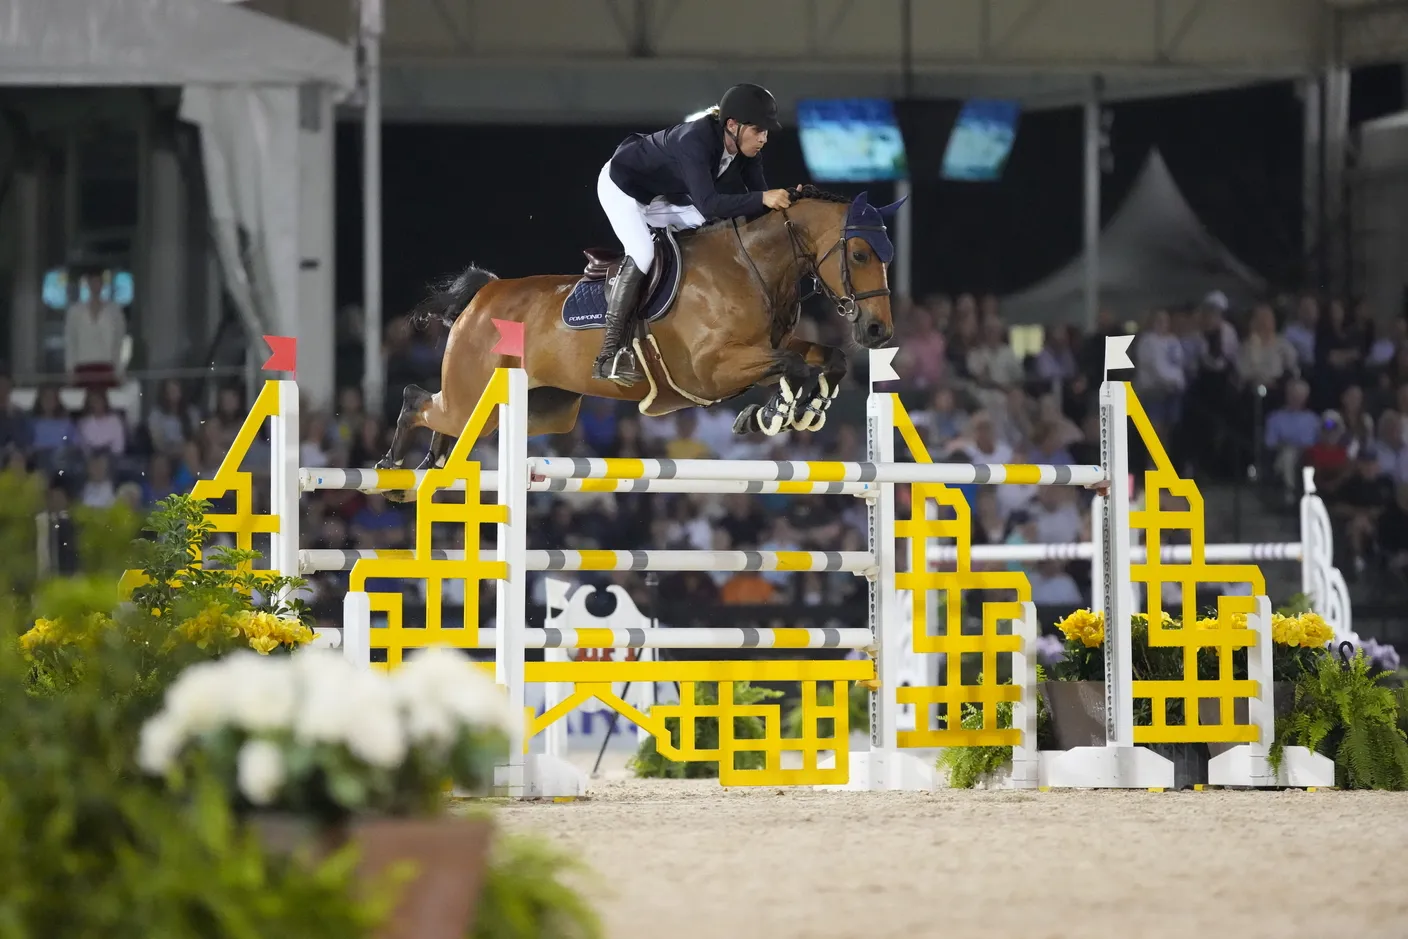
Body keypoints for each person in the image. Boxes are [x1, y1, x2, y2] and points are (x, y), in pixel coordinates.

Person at [593, 83, 793, 386]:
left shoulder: (747, 149)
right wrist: (764, 199)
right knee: (643, 252)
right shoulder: (695, 140)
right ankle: (608, 355)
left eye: (766, 132)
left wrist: (791, 200)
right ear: (732, 125)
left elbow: (758, 201)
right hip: (621, 187)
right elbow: (712, 203)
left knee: (710, 225)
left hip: (656, 195)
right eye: (759, 131)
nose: (764, 139)